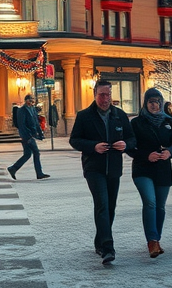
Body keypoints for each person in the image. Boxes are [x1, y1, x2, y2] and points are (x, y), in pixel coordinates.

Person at [68, 80, 135, 264]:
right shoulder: (84, 116)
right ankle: (108, 247)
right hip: (94, 168)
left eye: (108, 95)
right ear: (95, 94)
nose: (105, 99)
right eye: (102, 95)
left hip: (114, 168)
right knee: (102, 205)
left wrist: (126, 144)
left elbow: (131, 138)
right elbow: (74, 140)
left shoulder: (119, 115)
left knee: (110, 208)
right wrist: (93, 146)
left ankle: (99, 241)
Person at [127, 88, 172, 258]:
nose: (154, 105)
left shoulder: (169, 121)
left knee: (160, 206)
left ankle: (157, 239)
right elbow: (130, 147)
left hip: (163, 169)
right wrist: (146, 155)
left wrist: (170, 152)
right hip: (143, 168)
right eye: (151, 102)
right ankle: (151, 240)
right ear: (145, 103)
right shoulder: (136, 123)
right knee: (150, 202)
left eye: (157, 102)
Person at [7, 94, 50, 181]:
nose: (33, 101)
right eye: (31, 100)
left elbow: (35, 122)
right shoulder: (22, 110)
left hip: (32, 135)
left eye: (33, 100)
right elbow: (21, 125)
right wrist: (26, 136)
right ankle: (39, 173)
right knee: (36, 153)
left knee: (27, 154)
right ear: (27, 100)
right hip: (27, 136)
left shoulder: (32, 109)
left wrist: (40, 134)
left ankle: (13, 168)